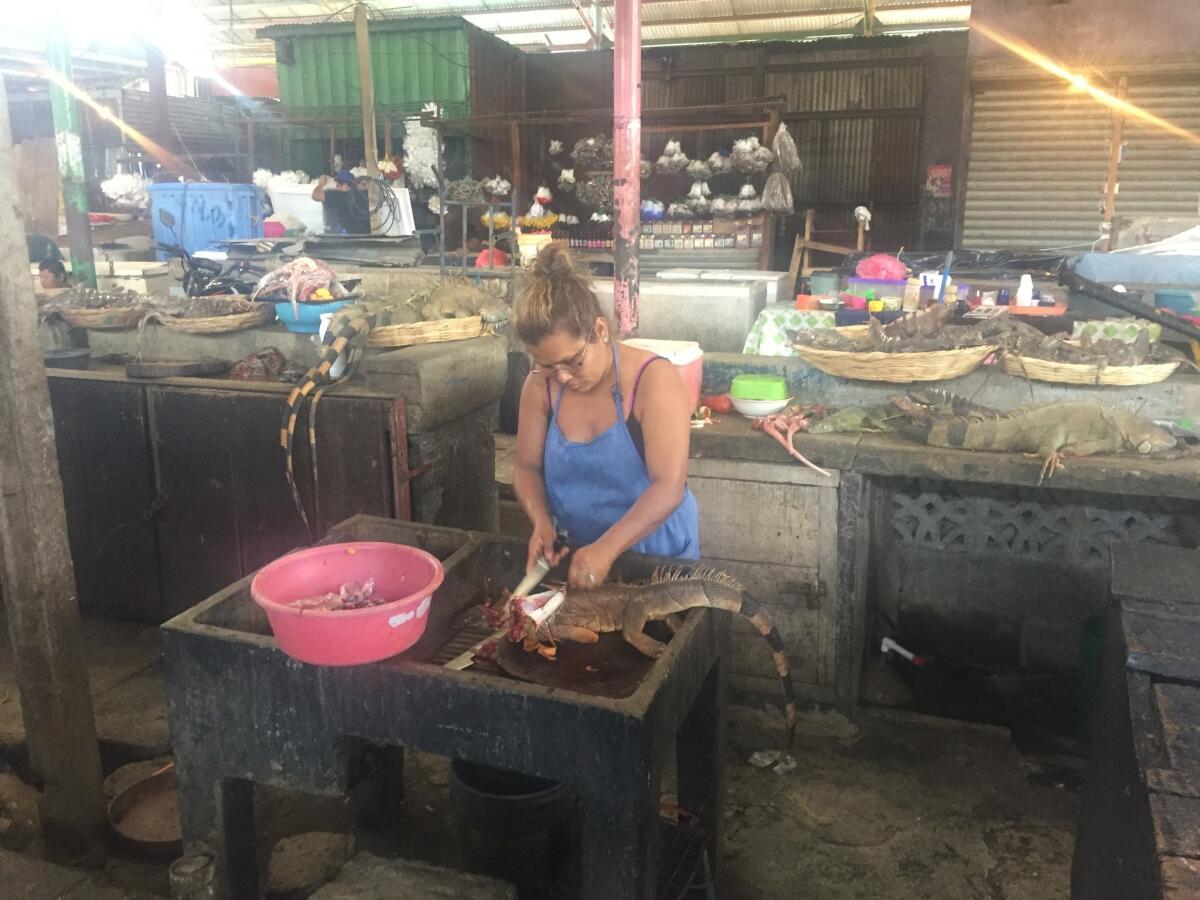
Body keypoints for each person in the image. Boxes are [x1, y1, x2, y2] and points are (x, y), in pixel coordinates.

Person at [512, 242, 699, 590]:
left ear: (600, 331)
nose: (563, 377)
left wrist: (608, 549)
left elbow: (668, 486)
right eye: (547, 366)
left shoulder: (653, 380)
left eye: (572, 361)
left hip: (656, 555)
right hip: (581, 553)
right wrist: (541, 521)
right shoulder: (540, 387)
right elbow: (526, 468)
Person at [311, 169, 371, 235]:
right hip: (364, 234)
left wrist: (321, 184)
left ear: (345, 185)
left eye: (337, 185)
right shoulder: (363, 195)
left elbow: (315, 195)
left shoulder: (335, 195)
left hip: (341, 237)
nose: (336, 188)